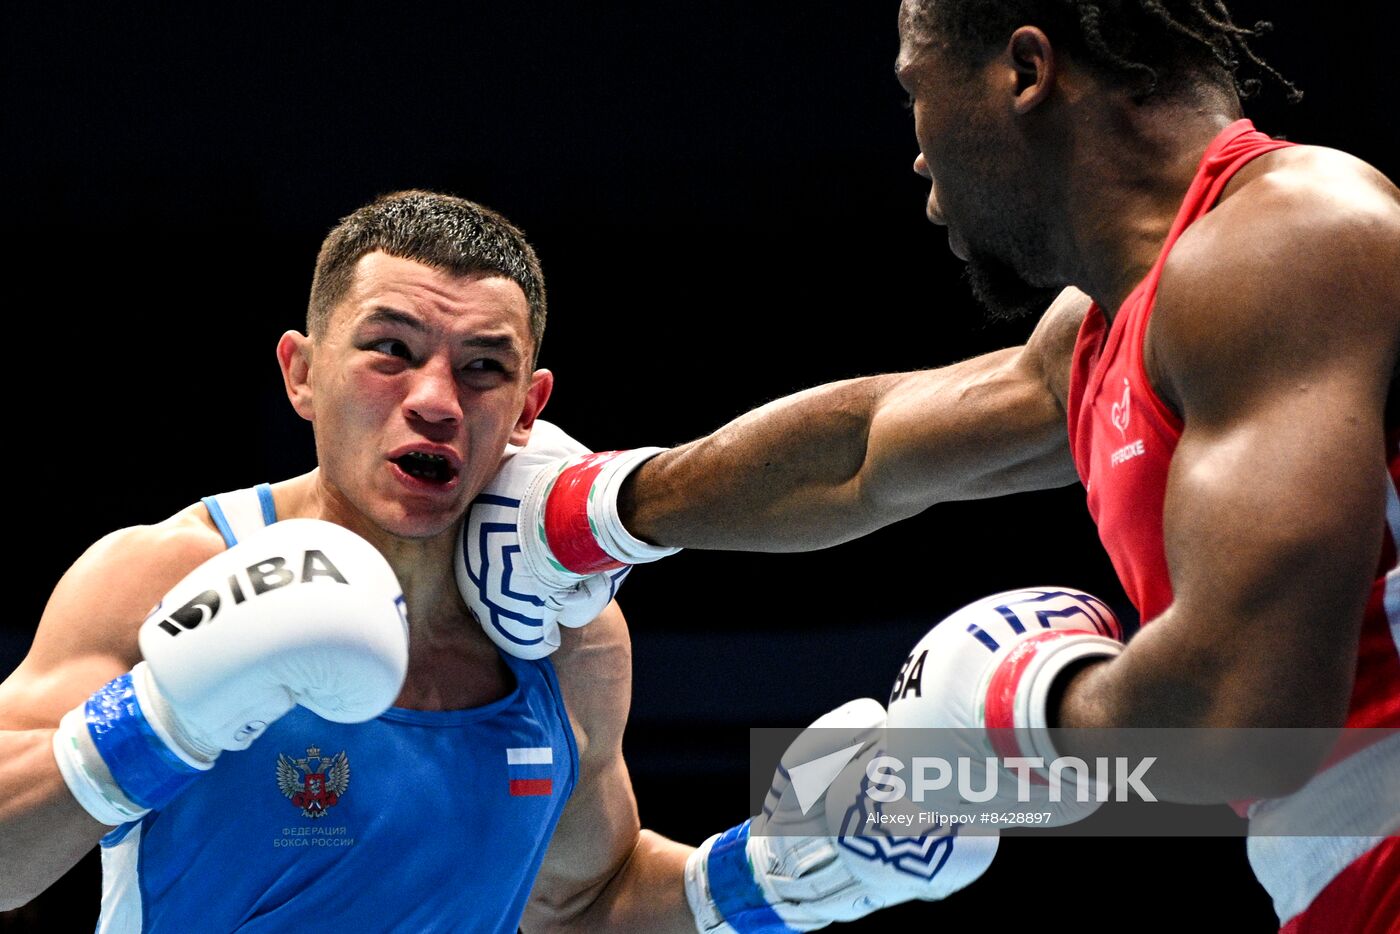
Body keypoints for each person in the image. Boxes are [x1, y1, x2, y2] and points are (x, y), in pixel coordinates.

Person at [461, 3, 1400, 931]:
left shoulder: (1288, 238)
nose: (915, 153)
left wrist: (1014, 714)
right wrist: (587, 515)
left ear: (1024, 73)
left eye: (915, 90)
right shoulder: (1116, 325)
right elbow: (865, 450)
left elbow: (1251, 718)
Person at [0, 190, 998, 932]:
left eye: (482, 367)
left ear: (528, 406)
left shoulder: (565, 629)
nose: (436, 398)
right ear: (301, 374)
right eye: (389, 350)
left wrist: (765, 872)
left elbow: (580, 897)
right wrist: (163, 720)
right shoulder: (154, 575)